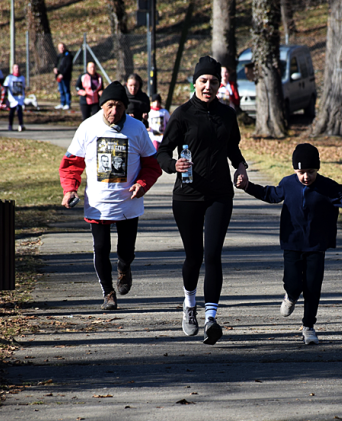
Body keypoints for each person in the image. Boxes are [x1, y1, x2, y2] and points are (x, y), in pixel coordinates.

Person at [236, 143, 342, 345]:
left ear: (317, 169)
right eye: (301, 172)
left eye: (310, 172)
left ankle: (308, 326)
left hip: (316, 245)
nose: (306, 177)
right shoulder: (288, 184)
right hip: (292, 242)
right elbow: (270, 194)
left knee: (312, 287)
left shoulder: (327, 187)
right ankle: (290, 295)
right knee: (293, 282)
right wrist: (247, 186)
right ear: (294, 171)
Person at [157, 56, 249, 345]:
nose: (208, 85)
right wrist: (174, 166)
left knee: (213, 255)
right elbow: (162, 152)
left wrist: (242, 167)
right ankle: (189, 304)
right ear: (194, 83)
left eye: (213, 81)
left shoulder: (227, 114)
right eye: (203, 81)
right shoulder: (182, 115)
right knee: (194, 256)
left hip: (220, 193)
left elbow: (232, 147)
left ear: (219, 84)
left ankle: (211, 318)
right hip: (187, 196)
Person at [59, 81, 162, 310]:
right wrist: (70, 189)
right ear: (101, 105)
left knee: (126, 252)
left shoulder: (137, 129)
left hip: (128, 202)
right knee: (101, 248)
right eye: (109, 106)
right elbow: (71, 164)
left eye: (119, 106)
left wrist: (142, 184)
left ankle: (124, 268)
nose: (114, 111)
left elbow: (152, 165)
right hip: (98, 202)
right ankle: (108, 293)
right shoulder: (88, 127)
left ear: (126, 107)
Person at [3, 64, 26, 132]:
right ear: (13, 69)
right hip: (12, 98)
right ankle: (10, 125)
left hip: (19, 97)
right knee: (12, 112)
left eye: (18, 68)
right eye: (15, 68)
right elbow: (5, 86)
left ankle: (21, 125)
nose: (17, 69)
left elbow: (23, 87)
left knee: (19, 111)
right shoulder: (9, 78)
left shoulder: (22, 78)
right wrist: (5, 97)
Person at [53, 43, 73, 110]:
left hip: (65, 76)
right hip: (59, 76)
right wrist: (55, 68)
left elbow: (68, 67)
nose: (61, 49)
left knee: (66, 90)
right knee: (61, 91)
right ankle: (62, 103)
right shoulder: (59, 56)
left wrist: (63, 74)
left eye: (62, 47)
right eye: (60, 48)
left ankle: (68, 103)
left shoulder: (68, 56)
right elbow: (56, 64)